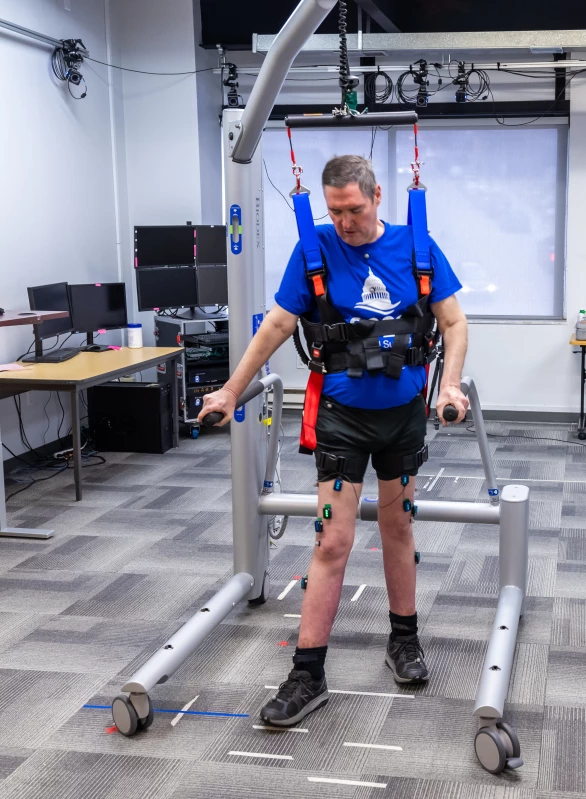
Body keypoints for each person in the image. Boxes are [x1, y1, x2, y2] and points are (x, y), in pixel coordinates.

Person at [198, 155, 469, 727]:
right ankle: (307, 672)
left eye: (354, 209)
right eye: (335, 210)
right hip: (343, 417)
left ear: (375, 198)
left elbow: (454, 322)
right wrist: (228, 391)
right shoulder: (314, 250)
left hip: (402, 416)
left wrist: (449, 386)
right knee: (331, 543)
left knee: (398, 527)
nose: (344, 221)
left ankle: (404, 639)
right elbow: (274, 326)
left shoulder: (417, 248)